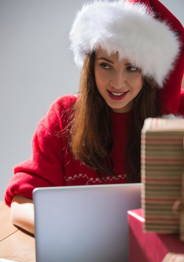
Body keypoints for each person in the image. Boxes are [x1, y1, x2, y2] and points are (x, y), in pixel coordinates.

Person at [4, 0, 184, 235]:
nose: (118, 82)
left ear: (148, 72)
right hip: (80, 253)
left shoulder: (175, 117)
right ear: (90, 67)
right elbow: (20, 204)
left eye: (132, 68)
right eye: (106, 65)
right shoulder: (63, 116)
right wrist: (74, 233)